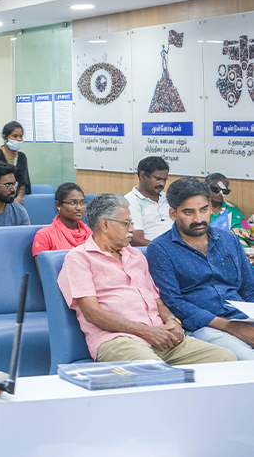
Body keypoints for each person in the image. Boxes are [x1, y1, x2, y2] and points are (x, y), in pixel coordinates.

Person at [58, 193, 235, 364]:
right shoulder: (79, 258)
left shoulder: (136, 256)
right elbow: (92, 313)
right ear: (105, 224)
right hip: (119, 339)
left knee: (226, 359)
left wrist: (172, 321)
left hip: (160, 335)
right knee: (153, 371)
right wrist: (146, 332)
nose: (132, 229)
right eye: (126, 223)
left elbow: (158, 302)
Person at [147, 177, 254, 360]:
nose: (198, 219)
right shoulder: (160, 248)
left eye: (203, 210)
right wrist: (230, 326)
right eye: (188, 212)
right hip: (203, 326)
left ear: (210, 207)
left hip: (242, 318)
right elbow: (174, 302)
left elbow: (249, 289)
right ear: (173, 213)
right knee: (248, 362)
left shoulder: (229, 240)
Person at [32, 183, 92, 259]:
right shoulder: (44, 235)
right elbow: (43, 266)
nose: (79, 208)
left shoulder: (90, 233)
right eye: (73, 203)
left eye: (82, 203)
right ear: (58, 205)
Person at [124, 156, 172, 246]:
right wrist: (164, 249)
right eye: (158, 179)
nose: (162, 184)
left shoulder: (168, 198)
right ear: (142, 175)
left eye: (164, 180)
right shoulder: (130, 201)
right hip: (151, 250)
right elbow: (136, 240)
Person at [0, 121, 31, 203]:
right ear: (5, 137)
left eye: (21, 136)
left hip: (15, 198)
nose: (19, 139)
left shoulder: (21, 157)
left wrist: (19, 198)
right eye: (15, 136)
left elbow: (23, 182)